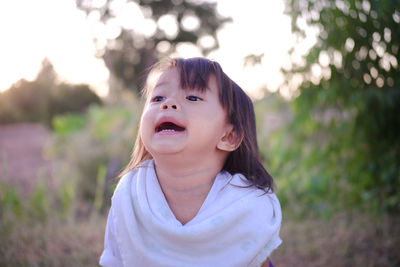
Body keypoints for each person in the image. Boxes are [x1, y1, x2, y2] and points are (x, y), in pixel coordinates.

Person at [99, 57, 282, 267]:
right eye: (158, 98)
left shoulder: (248, 205)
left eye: (193, 98)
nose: (168, 104)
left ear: (228, 136)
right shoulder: (130, 194)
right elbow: (114, 260)